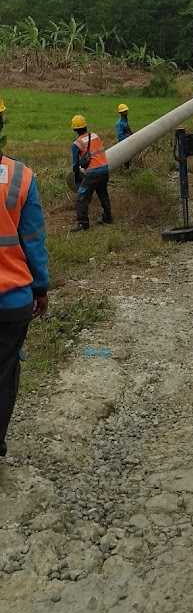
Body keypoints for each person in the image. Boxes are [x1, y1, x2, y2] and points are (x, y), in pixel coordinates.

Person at [0, 151, 49, 458]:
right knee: (4, 373)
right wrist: (41, 287)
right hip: (12, 300)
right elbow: (33, 239)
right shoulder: (21, 176)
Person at [70, 115, 112, 232]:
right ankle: (108, 217)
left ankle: (83, 224)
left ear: (74, 129)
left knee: (81, 197)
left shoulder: (76, 144)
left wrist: (77, 179)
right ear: (85, 126)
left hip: (93, 173)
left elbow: (75, 166)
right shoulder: (95, 136)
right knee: (103, 193)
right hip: (104, 169)